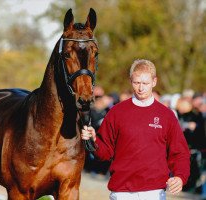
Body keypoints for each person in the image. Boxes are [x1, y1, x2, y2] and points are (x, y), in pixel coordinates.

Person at [81, 59, 190, 200]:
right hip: (121, 192)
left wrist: (180, 177)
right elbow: (105, 152)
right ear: (130, 80)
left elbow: (180, 152)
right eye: (136, 82)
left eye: (145, 83)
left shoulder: (166, 115)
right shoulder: (116, 112)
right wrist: (93, 140)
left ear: (154, 82)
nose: (141, 88)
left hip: (154, 193)